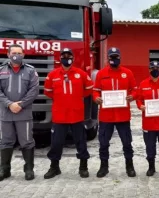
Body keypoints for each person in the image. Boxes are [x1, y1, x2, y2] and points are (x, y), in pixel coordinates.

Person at [43, 48, 93, 179]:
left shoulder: (80, 73)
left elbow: (89, 88)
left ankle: (83, 167)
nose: (66, 58)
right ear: (60, 58)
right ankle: (54, 167)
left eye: (69, 55)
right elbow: (47, 91)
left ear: (73, 58)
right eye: (64, 56)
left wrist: (76, 97)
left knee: (81, 142)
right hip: (59, 116)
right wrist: (61, 99)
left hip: (76, 115)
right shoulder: (53, 75)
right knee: (56, 143)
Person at [93, 47, 137, 178]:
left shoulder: (127, 73)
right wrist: (96, 98)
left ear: (120, 57)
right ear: (108, 58)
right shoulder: (101, 73)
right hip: (106, 116)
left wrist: (132, 96)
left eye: (116, 57)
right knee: (103, 143)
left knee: (127, 143)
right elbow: (95, 91)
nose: (114, 59)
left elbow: (134, 89)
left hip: (123, 115)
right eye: (111, 57)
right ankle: (103, 166)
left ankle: (129, 166)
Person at [0, 44, 39, 181]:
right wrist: (9, 104)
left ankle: (28, 169)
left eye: (19, 53)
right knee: (5, 141)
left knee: (27, 142)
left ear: (24, 55)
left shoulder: (30, 71)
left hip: (24, 113)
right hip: (6, 113)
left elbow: (34, 90)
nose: (16, 55)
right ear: (8, 54)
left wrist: (21, 104)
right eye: (14, 52)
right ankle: (4, 169)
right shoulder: (1, 70)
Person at [136, 61, 159, 177]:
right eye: (153, 68)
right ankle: (151, 167)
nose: (155, 69)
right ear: (149, 69)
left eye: (158, 68)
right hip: (149, 124)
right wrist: (140, 106)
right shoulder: (143, 84)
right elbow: (138, 99)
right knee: (150, 147)